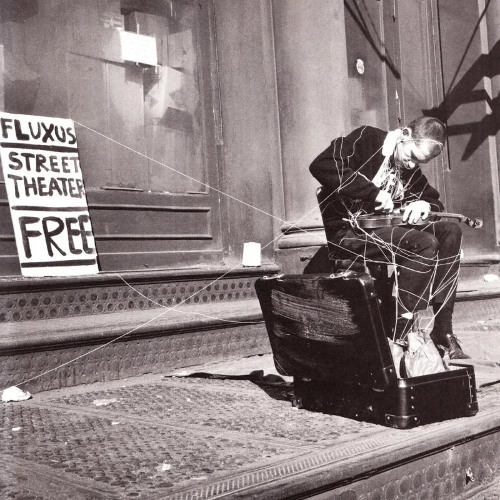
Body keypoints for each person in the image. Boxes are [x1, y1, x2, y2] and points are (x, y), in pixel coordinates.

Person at [309, 116, 470, 359]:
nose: (413, 165)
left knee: (450, 232)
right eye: (412, 156)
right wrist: (372, 193)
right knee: (424, 244)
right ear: (404, 135)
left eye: (421, 162)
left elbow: (433, 199)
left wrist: (424, 204)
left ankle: (443, 329)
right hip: (349, 233)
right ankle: (400, 332)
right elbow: (321, 164)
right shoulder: (368, 139)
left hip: (383, 232)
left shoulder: (409, 168)